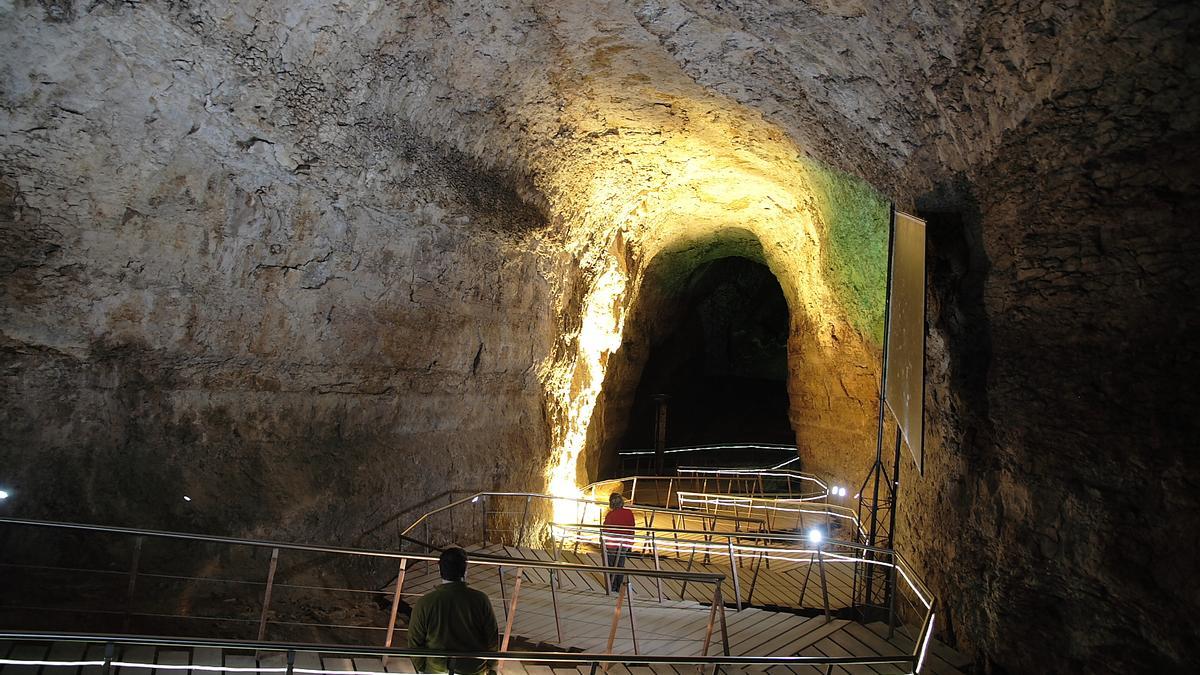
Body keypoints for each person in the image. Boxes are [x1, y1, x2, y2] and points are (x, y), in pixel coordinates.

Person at [408, 547, 499, 674]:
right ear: (465, 571)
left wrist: (423, 668)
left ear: (440, 570)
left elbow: (414, 641)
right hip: (473, 668)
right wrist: (491, 667)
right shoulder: (481, 600)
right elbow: (492, 639)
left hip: (437, 668)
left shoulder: (425, 603)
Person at [601, 492, 636, 593]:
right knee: (620, 564)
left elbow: (606, 530)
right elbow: (632, 527)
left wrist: (602, 542)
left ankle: (612, 585)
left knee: (611, 565)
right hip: (624, 542)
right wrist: (630, 542)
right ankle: (620, 586)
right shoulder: (629, 513)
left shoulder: (610, 515)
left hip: (612, 543)